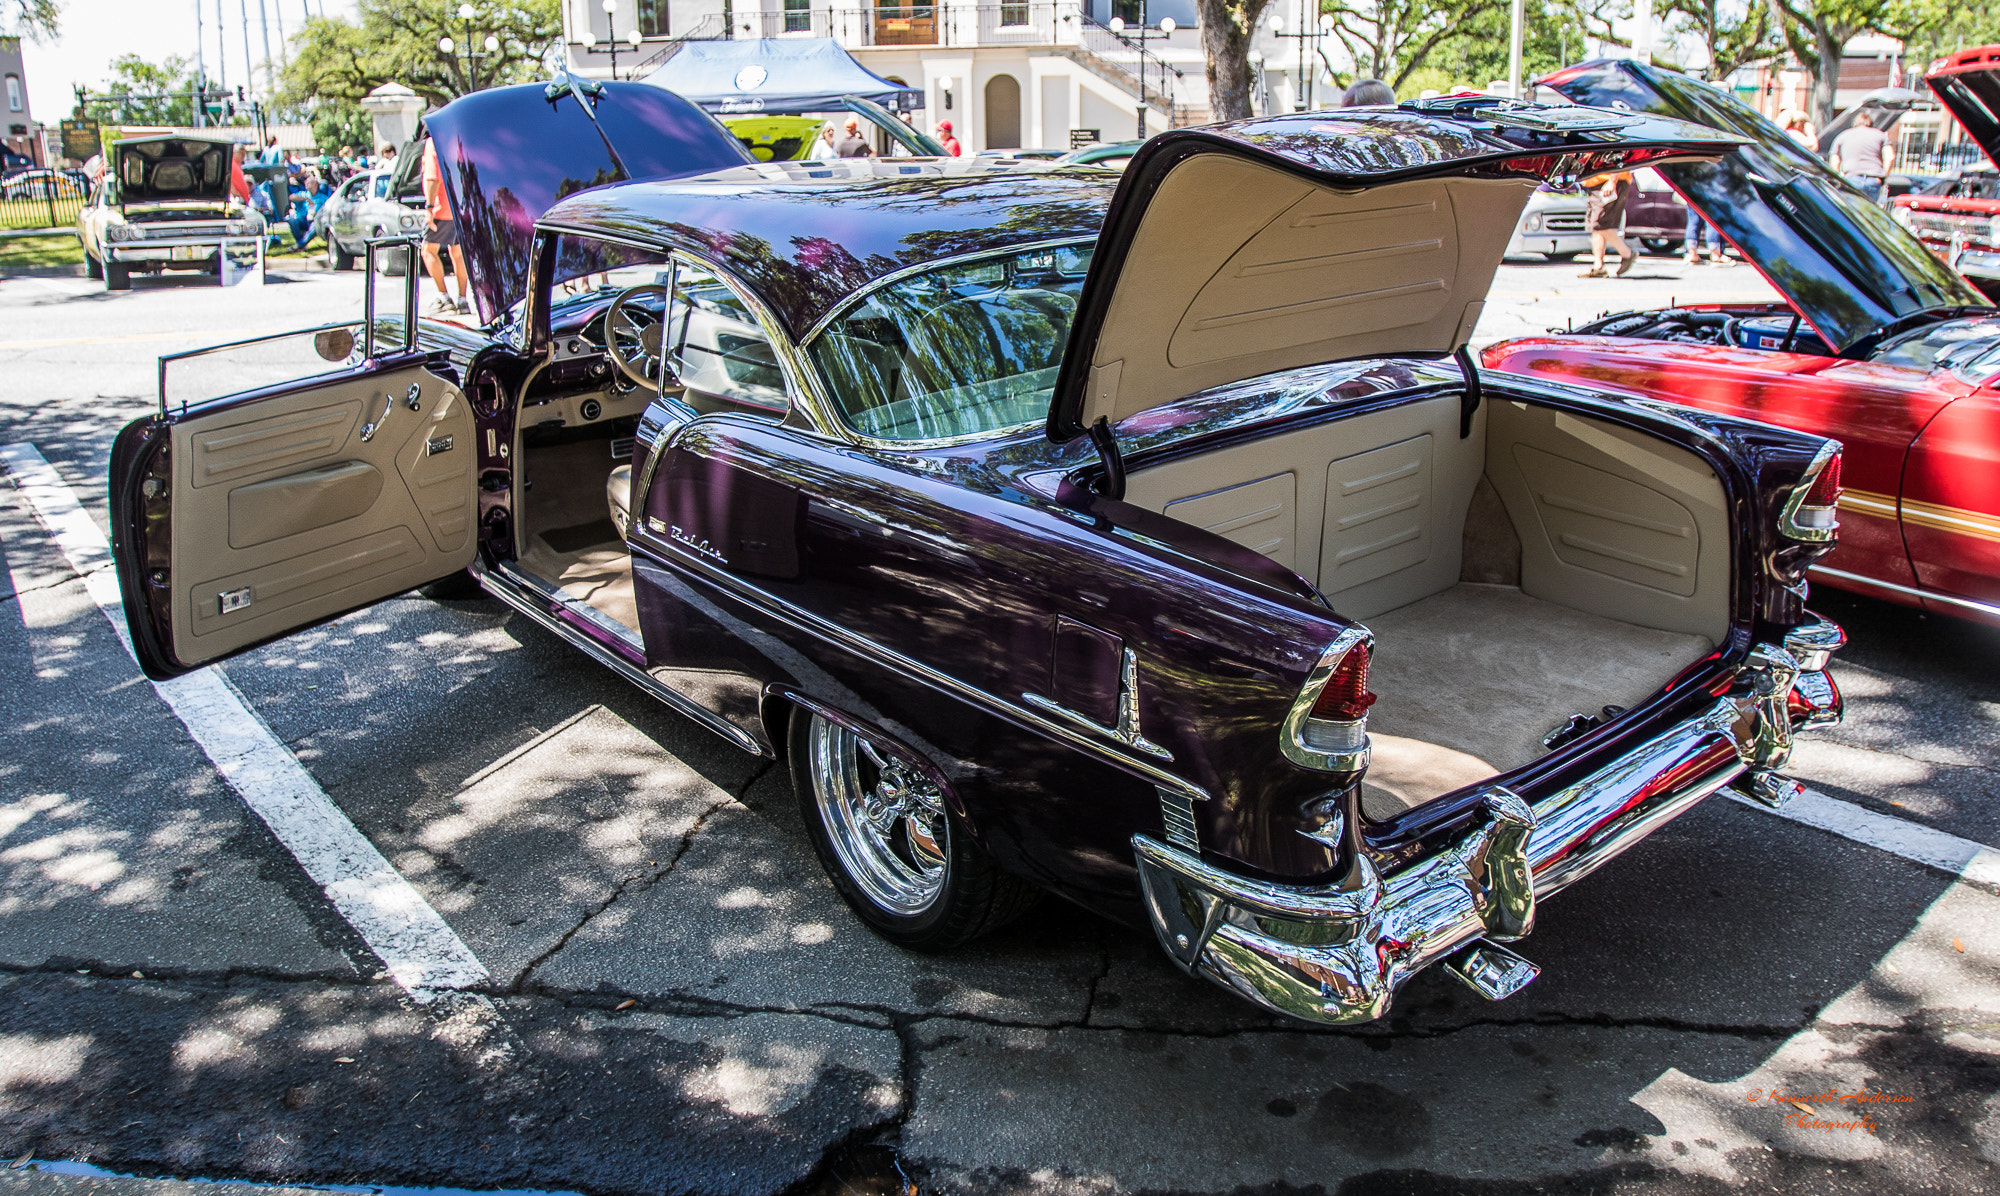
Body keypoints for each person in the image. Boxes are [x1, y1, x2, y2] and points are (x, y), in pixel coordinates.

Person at [420, 138, 471, 316]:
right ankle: (462, 300)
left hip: (442, 208)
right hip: (459, 205)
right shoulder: (457, 139)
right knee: (457, 253)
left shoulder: (433, 141)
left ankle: (443, 296)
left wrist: (429, 206)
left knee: (427, 250)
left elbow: (433, 177)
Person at [1579, 170, 1635, 278]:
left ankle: (1627, 254)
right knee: (1596, 227)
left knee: (1600, 224)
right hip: (1596, 183)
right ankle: (1598, 266)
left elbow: (1618, 156)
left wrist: (1612, 181)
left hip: (1609, 183)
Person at [1829, 111, 1894, 203]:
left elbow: (1834, 158)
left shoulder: (1843, 136)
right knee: (1869, 212)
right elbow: (1890, 156)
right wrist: (1884, 176)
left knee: (1852, 211)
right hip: (1873, 180)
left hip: (1850, 178)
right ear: (1870, 123)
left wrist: (1838, 175)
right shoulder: (1880, 135)